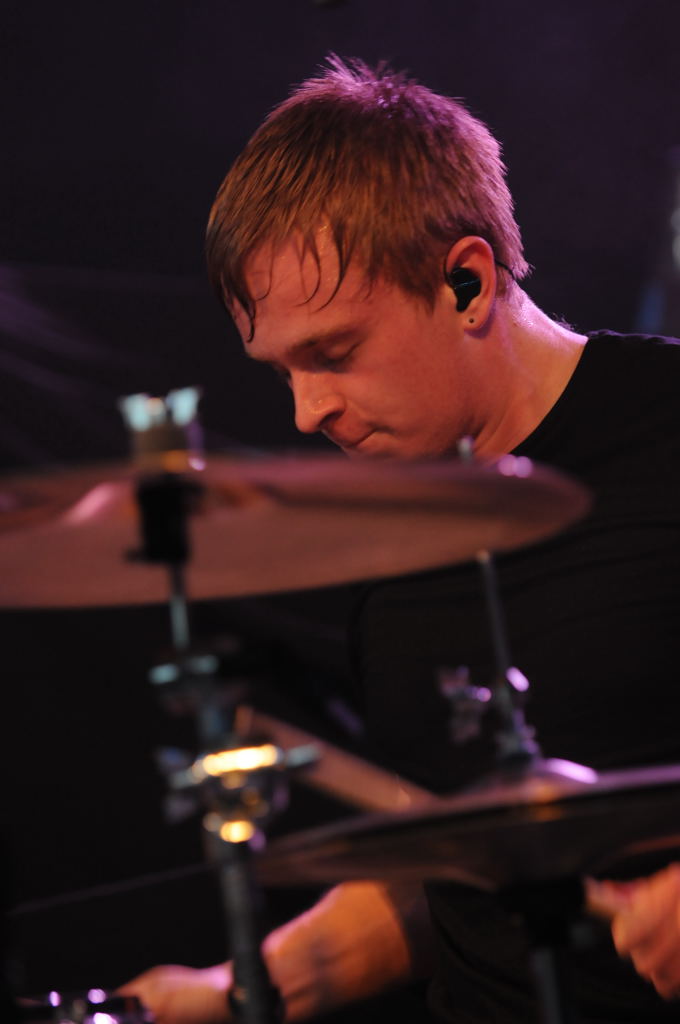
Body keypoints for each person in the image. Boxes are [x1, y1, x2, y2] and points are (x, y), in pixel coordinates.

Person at [120, 58, 680, 1021]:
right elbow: (451, 875)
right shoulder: (394, 539)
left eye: (334, 353)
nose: (306, 412)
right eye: (283, 371)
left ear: (467, 281)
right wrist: (235, 993)